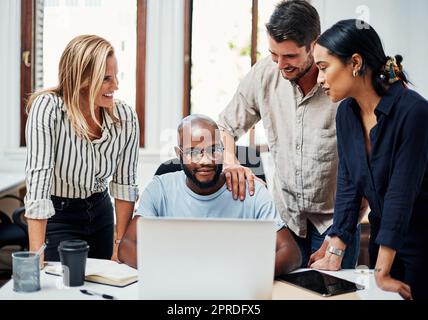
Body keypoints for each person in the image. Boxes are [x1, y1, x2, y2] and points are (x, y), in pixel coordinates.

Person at [217, 0, 361, 268]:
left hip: (333, 225)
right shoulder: (265, 73)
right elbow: (225, 126)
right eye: (274, 54)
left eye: (290, 57)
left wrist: (341, 233)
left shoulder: (342, 84)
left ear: (314, 44)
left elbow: (366, 169)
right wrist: (230, 162)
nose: (280, 64)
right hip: (285, 221)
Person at [310, 19, 428, 300]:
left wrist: (382, 273)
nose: (319, 79)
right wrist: (335, 253)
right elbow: (349, 185)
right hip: (382, 248)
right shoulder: (346, 114)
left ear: (355, 62)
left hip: (420, 249)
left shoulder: (414, 113)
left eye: (324, 68)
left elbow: (401, 195)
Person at [118, 115, 302, 276]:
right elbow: (127, 245)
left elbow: (291, 253)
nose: (205, 160)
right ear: (179, 154)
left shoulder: (252, 191)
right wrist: (167, 272)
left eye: (214, 150)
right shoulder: (160, 189)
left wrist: (247, 275)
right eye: (193, 152)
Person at [24, 35, 139, 264]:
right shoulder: (49, 109)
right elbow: (38, 186)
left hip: (100, 210)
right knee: (63, 287)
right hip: (58, 214)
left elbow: (125, 185)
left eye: (116, 76)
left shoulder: (125, 117)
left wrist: (120, 245)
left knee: (105, 283)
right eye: (106, 79)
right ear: (82, 79)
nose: (115, 86)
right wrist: (36, 258)